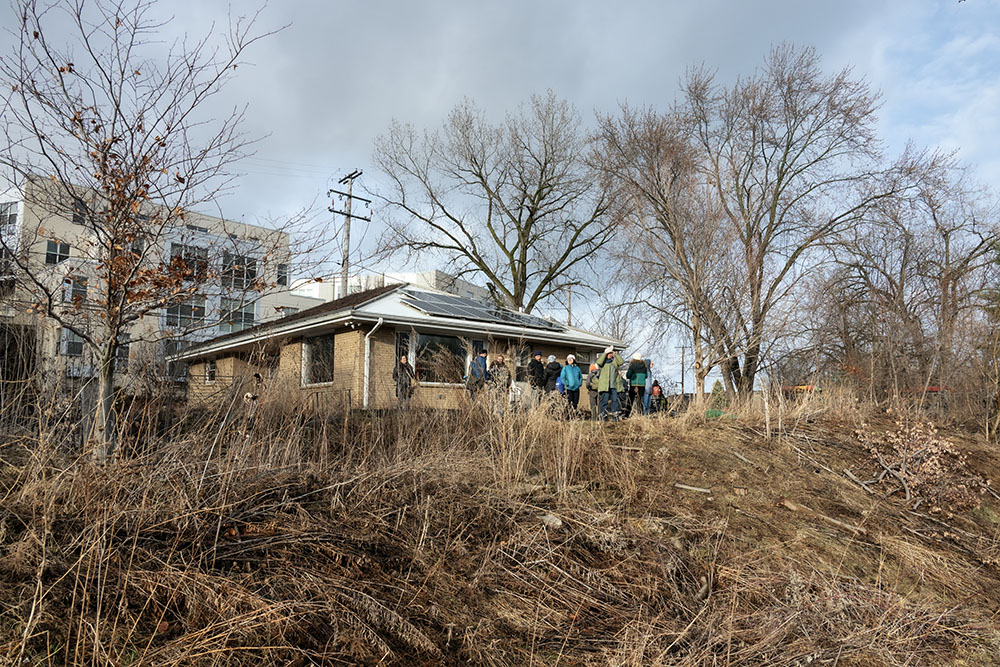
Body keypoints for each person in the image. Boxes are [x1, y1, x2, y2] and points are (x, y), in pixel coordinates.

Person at [595, 347, 624, 421]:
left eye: (611, 353)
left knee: (615, 401)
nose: (610, 355)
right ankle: (603, 417)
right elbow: (599, 362)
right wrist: (605, 353)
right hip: (605, 386)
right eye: (609, 353)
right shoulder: (603, 362)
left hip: (613, 385)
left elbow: (621, 362)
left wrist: (615, 354)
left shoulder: (614, 361)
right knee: (604, 402)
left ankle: (615, 417)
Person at [626, 353, 648, 417]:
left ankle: (627, 414)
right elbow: (646, 375)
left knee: (630, 400)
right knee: (640, 400)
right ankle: (640, 414)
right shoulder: (644, 366)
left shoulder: (632, 366)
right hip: (642, 385)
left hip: (634, 384)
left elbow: (628, 375)